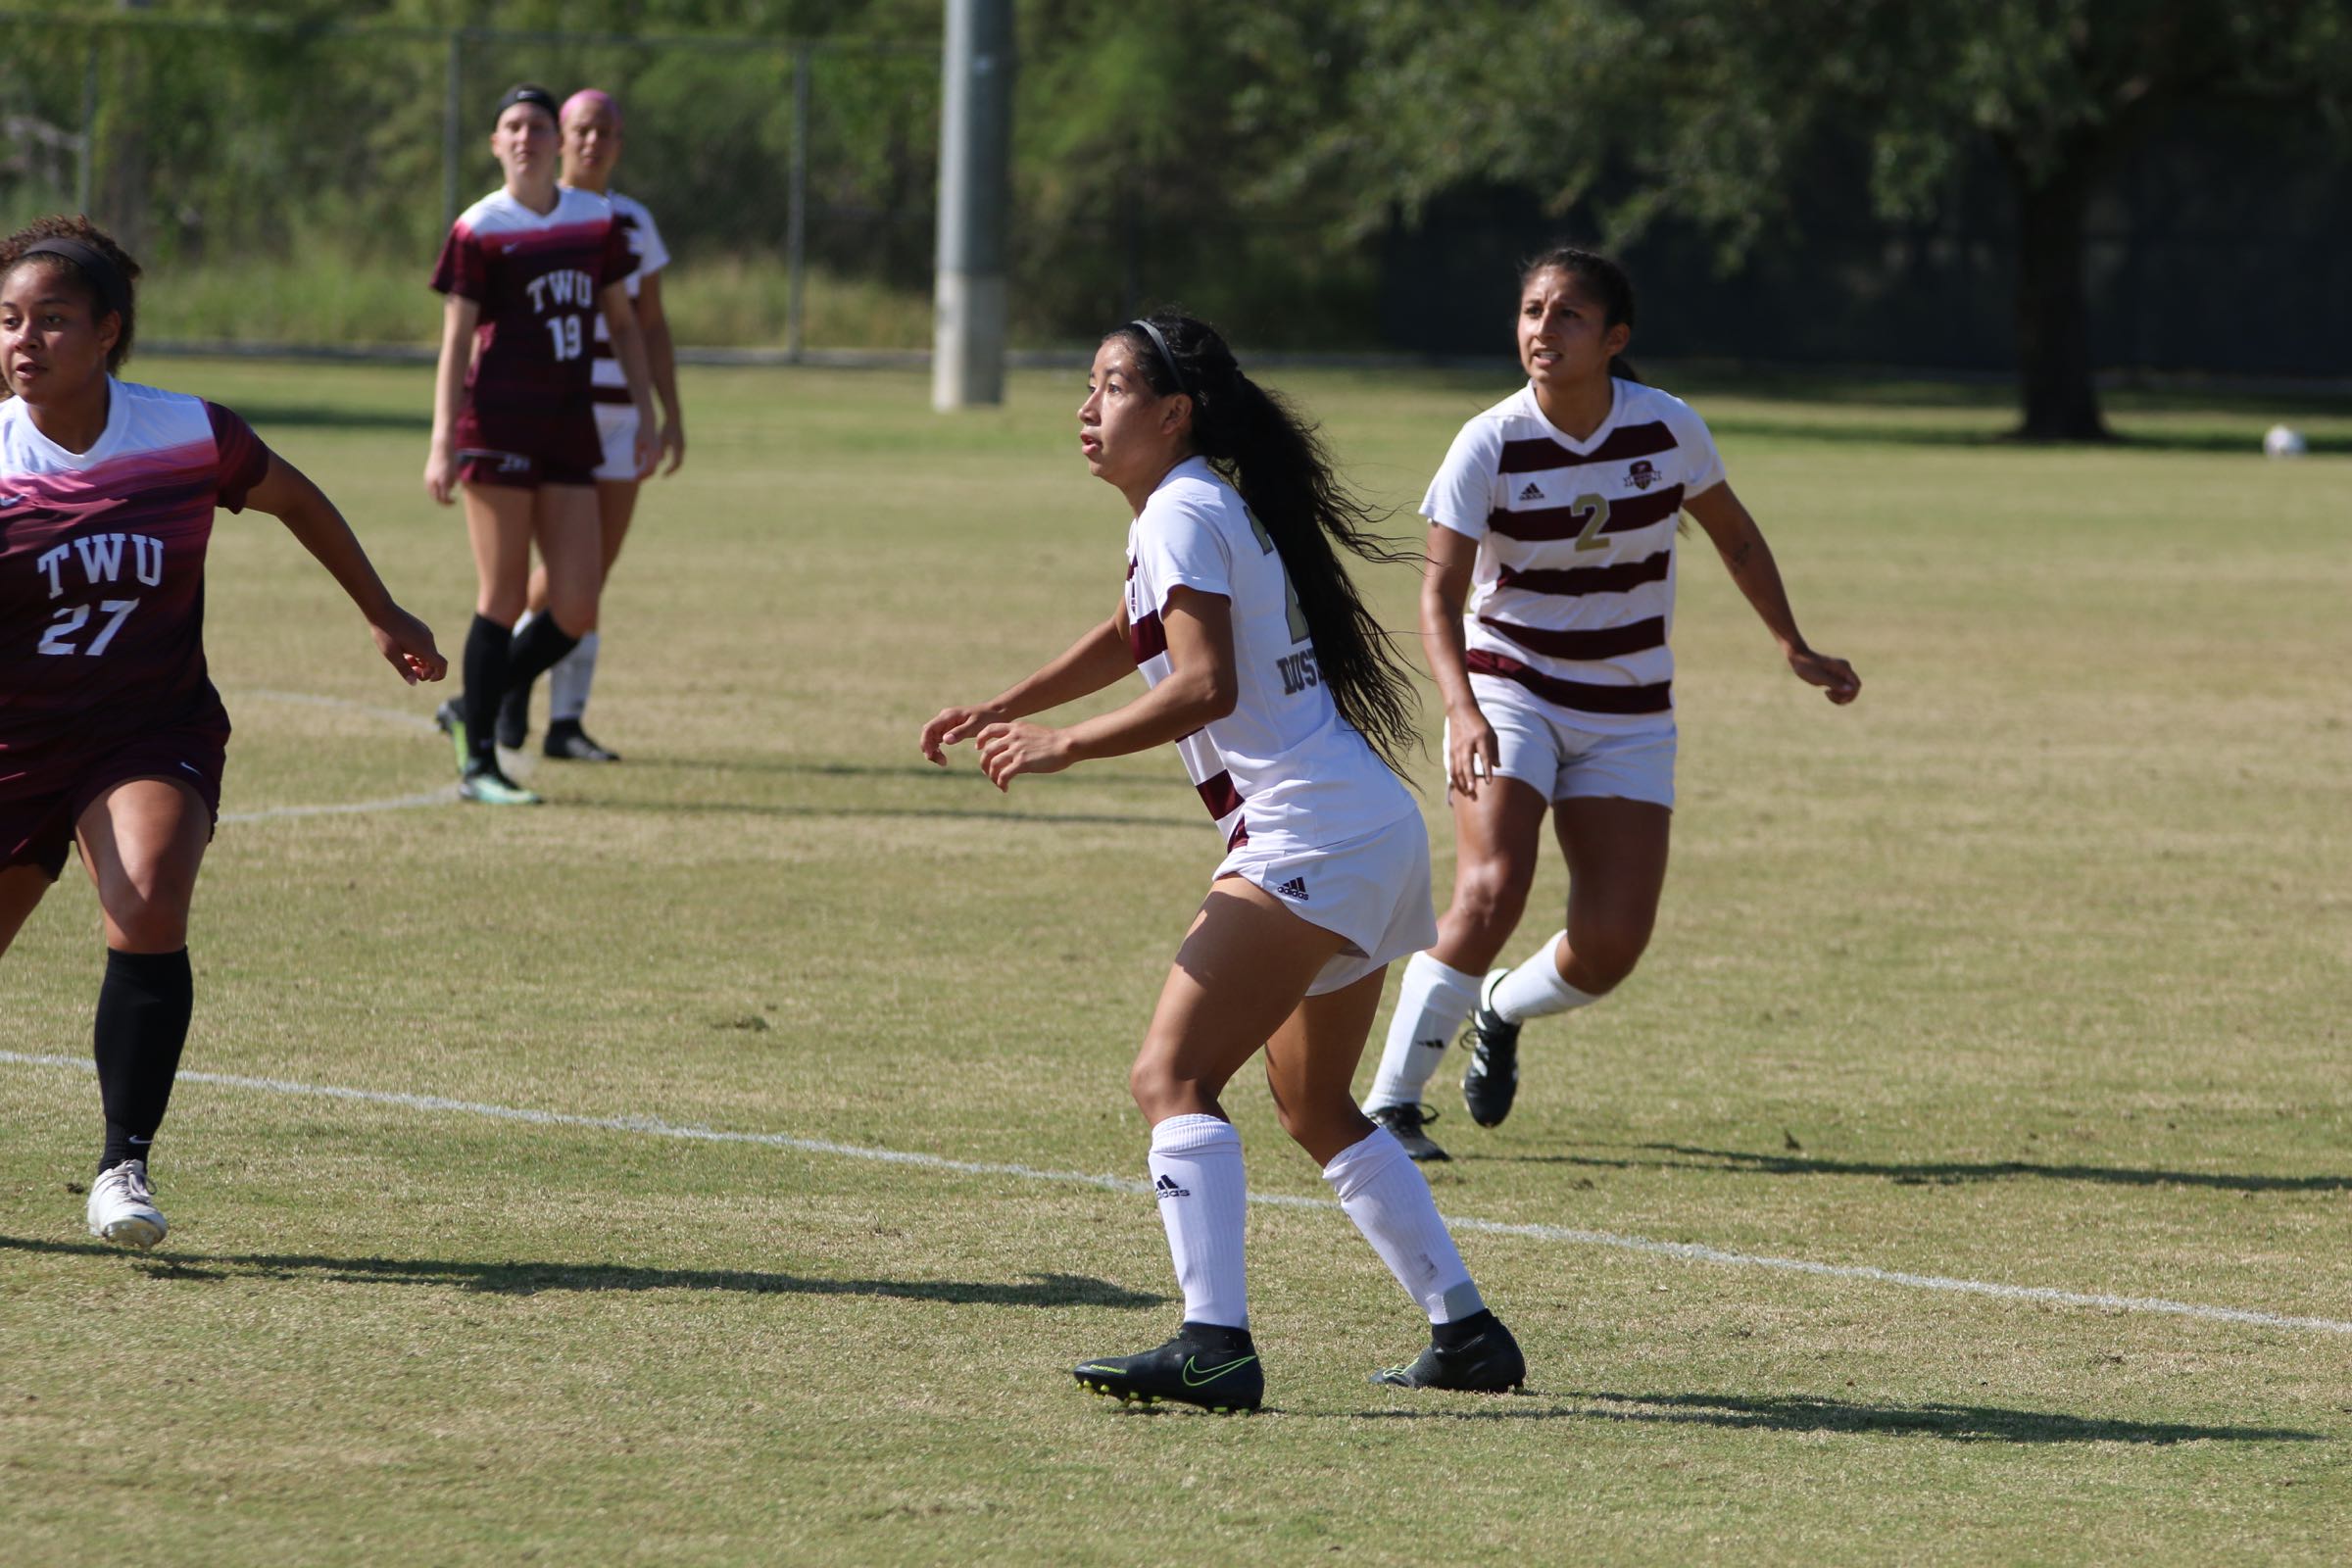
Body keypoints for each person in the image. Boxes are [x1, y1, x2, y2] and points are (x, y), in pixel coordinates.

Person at [921, 314, 1525, 1411]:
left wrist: (1065, 744)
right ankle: (1468, 1330)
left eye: (1109, 387)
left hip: (1310, 835)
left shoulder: (1187, 509)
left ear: (1173, 413)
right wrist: (1011, 702)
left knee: (1172, 1077)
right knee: (1316, 1104)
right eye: (1089, 388)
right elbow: (1132, 629)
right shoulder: (1191, 507)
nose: (1086, 409)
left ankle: (1214, 1342)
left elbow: (1204, 685)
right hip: (1363, 829)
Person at [0, 216, 446, 1248]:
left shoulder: (187, 433)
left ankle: (123, 1164)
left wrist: (381, 611)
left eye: (54, 320)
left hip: (145, 727)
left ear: (110, 331)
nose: (26, 341)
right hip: (17, 740)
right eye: (11, 321)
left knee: (149, 894)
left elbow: (296, 499)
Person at [1360, 245, 1861, 1163]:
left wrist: (1792, 643)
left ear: (1614, 338)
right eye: (1530, 313)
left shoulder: (1667, 428)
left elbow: (1738, 540)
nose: (1541, 331)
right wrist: (1464, 708)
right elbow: (1436, 597)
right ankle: (1390, 1105)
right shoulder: (1490, 440)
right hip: (1511, 686)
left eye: (1566, 316)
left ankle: (1501, 1008)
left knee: (1611, 946)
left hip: (1629, 704)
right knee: (1490, 888)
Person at [424, 83, 658, 804]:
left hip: (568, 425)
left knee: (577, 603)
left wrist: (647, 410)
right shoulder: (479, 227)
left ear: (558, 142)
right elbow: (457, 336)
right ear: (496, 144)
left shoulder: (596, 221)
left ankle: (473, 704)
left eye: (537, 125)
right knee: (500, 595)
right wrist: (442, 440)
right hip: (496, 427)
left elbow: (623, 323)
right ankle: (479, 764)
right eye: (511, 126)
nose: (525, 137)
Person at [496, 86, 687, 763]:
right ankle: (500, 691)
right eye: (580, 129)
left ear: (619, 144)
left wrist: (667, 413)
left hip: (619, 417)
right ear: (558, 137)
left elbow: (652, 324)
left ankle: (562, 720)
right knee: (561, 573)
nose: (592, 142)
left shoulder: (633, 221)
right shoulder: (539, 214)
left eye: (605, 132)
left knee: (592, 574)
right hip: (557, 414)